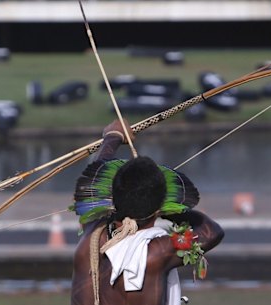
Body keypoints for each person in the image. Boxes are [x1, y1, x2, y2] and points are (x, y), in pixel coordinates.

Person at [71, 119, 225, 305]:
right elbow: (212, 232)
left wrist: (113, 136)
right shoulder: (156, 253)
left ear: (112, 197)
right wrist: (167, 209)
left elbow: (95, 186)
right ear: (159, 207)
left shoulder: (91, 233)